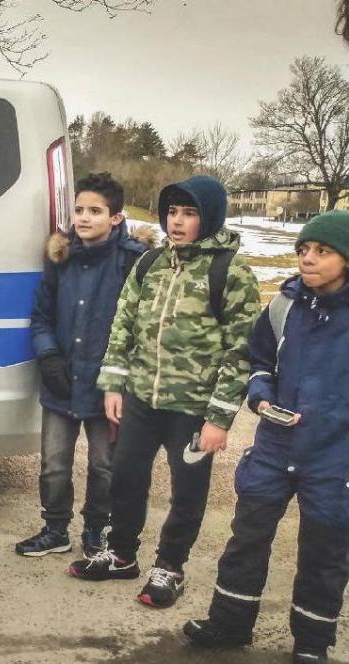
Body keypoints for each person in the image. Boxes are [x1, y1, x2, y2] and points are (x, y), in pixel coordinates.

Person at [67, 175, 262, 609]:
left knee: (187, 492)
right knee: (126, 478)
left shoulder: (230, 272)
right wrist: (114, 385)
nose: (177, 222)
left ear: (208, 217)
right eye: (172, 212)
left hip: (192, 409)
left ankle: (170, 567)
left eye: (189, 213)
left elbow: (241, 350)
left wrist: (218, 417)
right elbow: (123, 327)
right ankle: (121, 554)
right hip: (140, 398)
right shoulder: (149, 264)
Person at [183, 211, 349, 664]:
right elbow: (259, 359)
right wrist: (260, 396)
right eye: (303, 250)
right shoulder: (283, 305)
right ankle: (229, 625)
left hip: (335, 458)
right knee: (247, 537)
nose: (308, 259)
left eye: (322, 251)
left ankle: (312, 646)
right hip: (275, 446)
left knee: (325, 551)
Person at [16, 173, 155, 558]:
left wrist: (120, 377)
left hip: (107, 388)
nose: (84, 218)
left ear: (115, 217)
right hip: (62, 381)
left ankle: (96, 529)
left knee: (103, 466)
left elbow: (140, 327)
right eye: (79, 210)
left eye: (95, 211)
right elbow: (41, 315)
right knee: (54, 464)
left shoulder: (132, 261)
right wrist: (48, 356)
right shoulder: (60, 258)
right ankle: (55, 529)